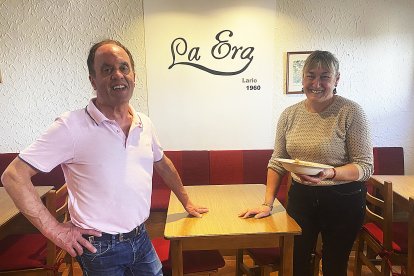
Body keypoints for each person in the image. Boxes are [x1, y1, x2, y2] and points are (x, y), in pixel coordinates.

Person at [1, 39, 208, 276]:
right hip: (99, 247)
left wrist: (186, 201)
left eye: (123, 67)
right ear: (93, 80)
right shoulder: (71, 126)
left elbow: (162, 163)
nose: (118, 75)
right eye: (107, 70)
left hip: (141, 237)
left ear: (134, 76)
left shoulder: (144, 123)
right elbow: (14, 176)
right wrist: (55, 231)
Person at [239, 50, 373, 276]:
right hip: (301, 197)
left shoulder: (351, 112)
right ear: (302, 78)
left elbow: (365, 167)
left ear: (336, 79)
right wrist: (267, 204)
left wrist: (329, 173)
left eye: (324, 77)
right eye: (311, 76)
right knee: (296, 263)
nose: (316, 83)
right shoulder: (289, 115)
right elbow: (277, 161)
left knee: (334, 265)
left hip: (344, 200)